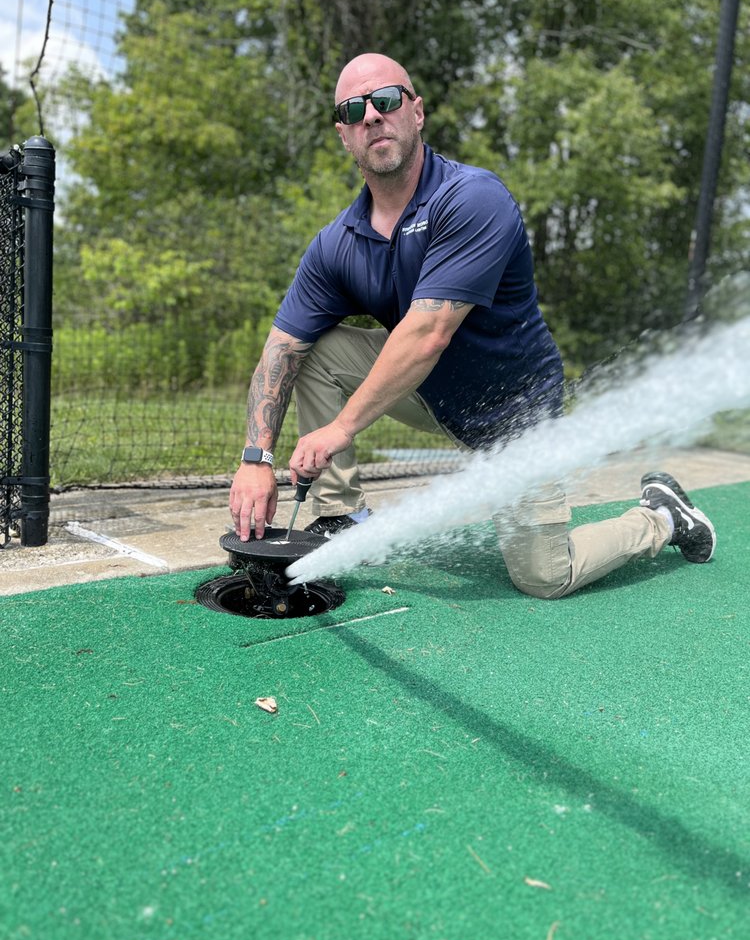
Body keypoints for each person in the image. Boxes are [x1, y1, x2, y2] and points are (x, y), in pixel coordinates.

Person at [229, 52, 716, 599]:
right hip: (434, 396)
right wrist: (256, 459)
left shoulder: (472, 198)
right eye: (353, 109)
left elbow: (428, 333)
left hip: (516, 414)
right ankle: (340, 517)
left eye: (386, 100)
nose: (371, 116)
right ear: (344, 134)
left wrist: (340, 428)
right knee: (317, 350)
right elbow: (281, 350)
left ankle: (663, 518)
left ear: (416, 113)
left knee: (544, 576)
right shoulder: (337, 244)